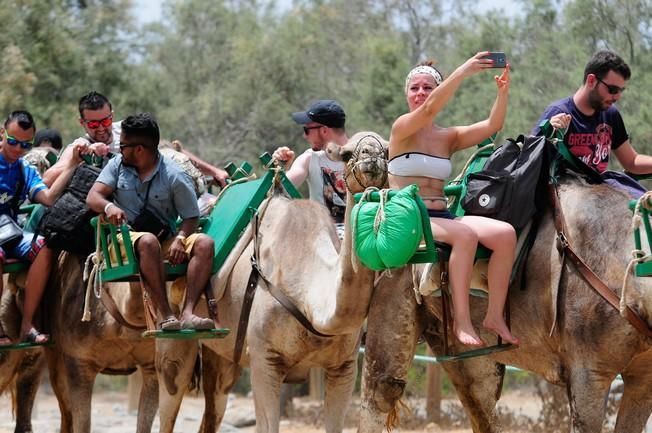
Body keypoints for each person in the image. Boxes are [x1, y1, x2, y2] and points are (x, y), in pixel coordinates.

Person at [388, 53, 519, 347]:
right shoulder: (402, 128)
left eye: (427, 87)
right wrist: (464, 70)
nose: (421, 93)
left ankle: (494, 315)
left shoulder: (447, 137)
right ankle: (461, 321)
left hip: (442, 216)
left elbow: (492, 125)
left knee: (505, 234)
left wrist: (502, 92)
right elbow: (430, 109)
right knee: (465, 235)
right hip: (410, 217)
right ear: (407, 94)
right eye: (415, 88)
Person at [86, 112, 218, 331]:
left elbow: (191, 216)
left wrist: (181, 238)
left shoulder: (175, 175)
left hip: (162, 239)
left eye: (123, 145)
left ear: (139, 149)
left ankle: (188, 312)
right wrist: (110, 206)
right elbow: (93, 196)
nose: (120, 149)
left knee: (204, 243)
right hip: (123, 242)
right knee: (147, 241)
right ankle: (166, 315)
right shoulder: (116, 165)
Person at [0, 111, 82, 345]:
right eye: (13, 142)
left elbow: (47, 198)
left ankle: (28, 324)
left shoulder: (25, 170)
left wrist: (72, 166)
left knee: (45, 247)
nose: (17, 150)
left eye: (24, 145)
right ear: (2, 134)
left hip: (10, 232)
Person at [44, 91, 229, 188]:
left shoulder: (127, 129)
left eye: (106, 121)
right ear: (82, 123)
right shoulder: (80, 146)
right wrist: (78, 159)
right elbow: (47, 181)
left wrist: (214, 172)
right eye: (93, 124)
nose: (101, 128)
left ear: (112, 115)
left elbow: (170, 150)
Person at [532, 50, 652, 193]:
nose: (617, 97)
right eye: (612, 89)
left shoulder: (611, 114)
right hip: (565, 196)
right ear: (591, 81)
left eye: (621, 91)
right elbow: (529, 160)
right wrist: (549, 134)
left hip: (599, 191)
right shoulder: (558, 113)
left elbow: (631, 161)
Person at [272, 100, 349, 234]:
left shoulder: (363, 158)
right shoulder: (309, 159)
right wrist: (280, 169)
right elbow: (275, 193)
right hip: (325, 244)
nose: (304, 136)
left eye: (307, 130)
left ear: (324, 130)